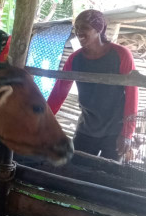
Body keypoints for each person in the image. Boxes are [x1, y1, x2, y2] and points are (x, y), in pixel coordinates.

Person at [47, 9, 138, 162]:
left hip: (115, 129)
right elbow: (58, 92)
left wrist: (127, 133)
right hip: (86, 127)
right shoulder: (75, 59)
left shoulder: (121, 55)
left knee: (107, 176)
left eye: (85, 27)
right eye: (76, 28)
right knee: (76, 169)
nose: (79, 32)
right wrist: (43, 122)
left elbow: (132, 95)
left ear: (99, 29)